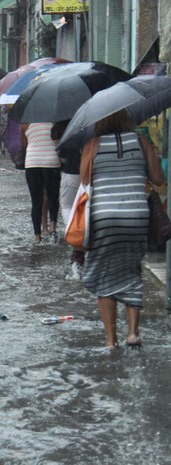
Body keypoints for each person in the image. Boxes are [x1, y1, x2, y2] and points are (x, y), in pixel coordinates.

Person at [80, 109, 164, 349]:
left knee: (105, 273)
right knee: (132, 271)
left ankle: (110, 340)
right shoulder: (141, 141)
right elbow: (158, 179)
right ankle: (133, 333)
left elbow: (84, 183)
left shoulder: (92, 145)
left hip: (104, 219)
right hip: (137, 217)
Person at [52, 120, 85, 279]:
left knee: (66, 207)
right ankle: (81, 240)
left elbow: (62, 158)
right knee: (84, 209)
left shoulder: (68, 133)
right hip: (87, 178)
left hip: (70, 174)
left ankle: (72, 233)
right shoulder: (90, 132)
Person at [20, 122, 61, 244]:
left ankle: (37, 236)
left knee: (36, 200)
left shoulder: (24, 124)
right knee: (53, 196)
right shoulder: (55, 122)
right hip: (51, 161)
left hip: (32, 162)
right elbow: (59, 141)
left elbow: (23, 145)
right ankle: (53, 226)